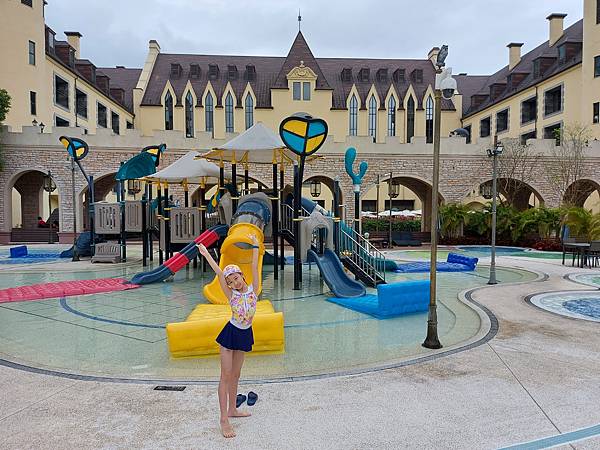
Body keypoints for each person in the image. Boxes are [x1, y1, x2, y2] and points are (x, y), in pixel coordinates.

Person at [197, 234, 260, 439]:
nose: (234, 282)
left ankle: (233, 409)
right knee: (225, 375)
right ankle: (224, 419)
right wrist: (206, 254)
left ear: (242, 275)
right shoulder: (231, 295)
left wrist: (255, 246)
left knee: (236, 374)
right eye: (230, 281)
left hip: (245, 333)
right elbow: (219, 272)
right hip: (230, 334)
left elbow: (254, 266)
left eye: (236, 278)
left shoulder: (254, 291)